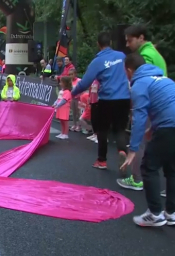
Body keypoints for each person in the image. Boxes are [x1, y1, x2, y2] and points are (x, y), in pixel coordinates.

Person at [120, 53, 175, 227]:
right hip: (169, 125)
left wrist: (133, 150)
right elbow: (166, 106)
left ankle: (155, 214)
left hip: (168, 126)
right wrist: (153, 129)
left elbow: (139, 118)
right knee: (172, 168)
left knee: (149, 166)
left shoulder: (139, 85)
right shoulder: (164, 79)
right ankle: (171, 213)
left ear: (129, 70)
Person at [118, 24, 168, 194]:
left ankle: (138, 178)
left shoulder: (144, 58)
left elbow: (140, 117)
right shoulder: (154, 54)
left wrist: (132, 150)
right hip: (164, 109)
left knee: (143, 146)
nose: (127, 45)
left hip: (157, 110)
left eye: (130, 40)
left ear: (141, 38)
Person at [71, 32, 131, 170]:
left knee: (103, 130)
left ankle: (102, 161)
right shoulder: (122, 56)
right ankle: (122, 151)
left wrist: (72, 93)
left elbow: (85, 83)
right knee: (120, 129)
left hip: (107, 99)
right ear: (110, 43)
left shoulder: (97, 61)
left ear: (98, 44)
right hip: (124, 98)